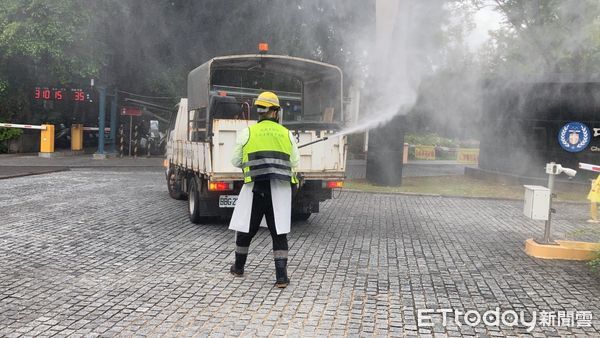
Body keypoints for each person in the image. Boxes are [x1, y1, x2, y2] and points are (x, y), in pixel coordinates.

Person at [228, 91, 299, 288]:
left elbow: (235, 160)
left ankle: (239, 268)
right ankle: (281, 278)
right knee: (279, 233)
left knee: (245, 230)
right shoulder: (287, 134)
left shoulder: (248, 133)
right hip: (280, 191)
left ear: (259, 111)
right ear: (275, 112)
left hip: (254, 189)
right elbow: (295, 161)